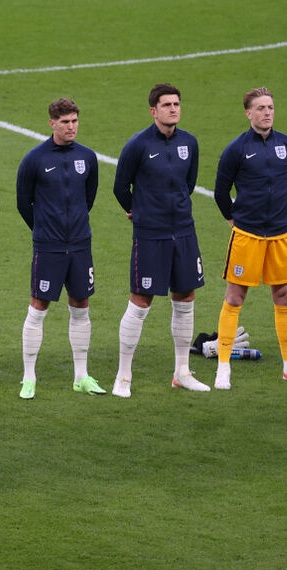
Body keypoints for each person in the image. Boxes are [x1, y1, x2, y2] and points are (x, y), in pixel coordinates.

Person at [111, 84, 209, 397]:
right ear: (153, 110)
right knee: (141, 302)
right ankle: (123, 376)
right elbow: (120, 187)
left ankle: (182, 373)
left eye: (176, 104)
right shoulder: (138, 145)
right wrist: (138, 211)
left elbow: (188, 184)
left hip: (184, 232)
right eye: (166, 105)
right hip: (151, 235)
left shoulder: (189, 143)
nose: (173, 109)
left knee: (185, 298)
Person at [16, 98, 104, 399]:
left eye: (75, 121)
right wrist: (44, 229)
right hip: (49, 247)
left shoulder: (87, 157)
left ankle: (81, 376)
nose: (71, 127)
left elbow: (88, 198)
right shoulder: (34, 159)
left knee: (81, 305)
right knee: (38, 307)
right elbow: (23, 203)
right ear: (51, 123)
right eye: (65, 122)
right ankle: (29, 378)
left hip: (80, 245)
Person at [212, 87, 287, 389]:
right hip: (248, 236)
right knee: (234, 298)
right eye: (260, 108)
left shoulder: (284, 144)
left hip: (281, 235)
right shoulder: (237, 149)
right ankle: (223, 367)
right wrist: (234, 220)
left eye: (270, 107)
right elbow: (220, 191)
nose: (267, 112)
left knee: (283, 296)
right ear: (248, 113)